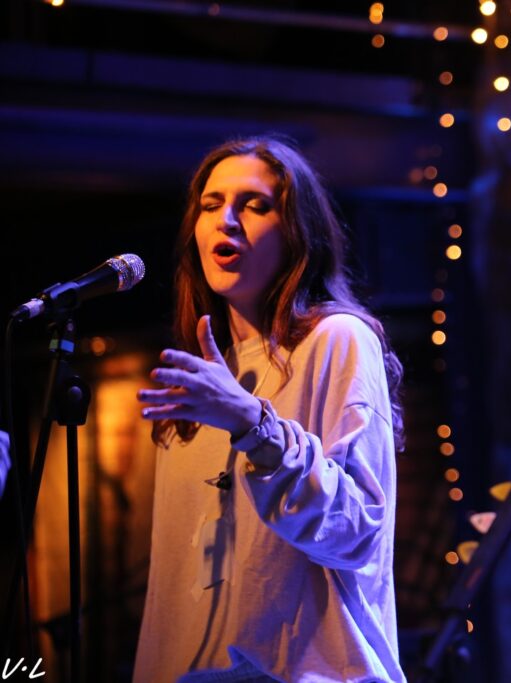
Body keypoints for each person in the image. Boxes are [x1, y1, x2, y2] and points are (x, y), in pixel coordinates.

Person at [135, 137, 406, 683]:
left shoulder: (337, 339)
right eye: (211, 205)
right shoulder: (202, 378)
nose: (226, 221)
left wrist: (254, 427)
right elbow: (170, 587)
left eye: (255, 205)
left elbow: (357, 531)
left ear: (297, 232)